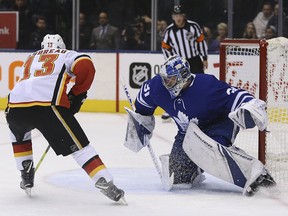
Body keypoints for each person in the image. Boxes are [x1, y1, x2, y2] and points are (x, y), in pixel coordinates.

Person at [124, 55, 276, 196]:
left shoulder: (207, 86)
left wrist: (251, 105)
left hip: (219, 123)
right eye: (165, 79)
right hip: (188, 132)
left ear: (183, 77)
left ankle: (258, 175)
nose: (166, 83)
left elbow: (236, 95)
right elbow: (143, 105)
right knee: (178, 177)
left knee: (209, 150)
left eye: (170, 79)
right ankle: (196, 168)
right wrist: (140, 122)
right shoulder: (158, 86)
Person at [5, 34, 126, 203]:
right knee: (80, 147)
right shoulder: (65, 54)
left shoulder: (30, 57)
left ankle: (25, 171)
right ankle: (103, 180)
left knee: (19, 134)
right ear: (61, 45)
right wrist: (77, 94)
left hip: (14, 108)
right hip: (47, 107)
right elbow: (85, 63)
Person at [161, 5, 208, 122]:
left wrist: (205, 57)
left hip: (194, 60)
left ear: (184, 16)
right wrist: (170, 61)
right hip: (179, 63)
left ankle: (202, 109)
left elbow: (201, 42)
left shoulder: (193, 26)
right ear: (172, 17)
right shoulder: (169, 31)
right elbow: (165, 47)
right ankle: (170, 110)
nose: (178, 18)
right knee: (176, 86)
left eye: (180, 15)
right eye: (175, 16)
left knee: (198, 84)